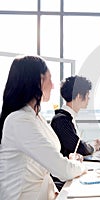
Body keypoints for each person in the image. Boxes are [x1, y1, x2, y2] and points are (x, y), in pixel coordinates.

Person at [0, 55, 86, 200]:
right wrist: (79, 166)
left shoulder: (35, 116)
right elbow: (62, 170)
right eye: (50, 79)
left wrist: (69, 161)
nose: (53, 86)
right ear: (39, 81)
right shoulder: (19, 120)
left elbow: (45, 163)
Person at [50, 75, 100, 190]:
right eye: (88, 96)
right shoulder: (61, 120)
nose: (89, 99)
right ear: (79, 96)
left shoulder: (68, 118)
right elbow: (79, 147)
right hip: (63, 179)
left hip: (71, 172)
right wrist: (94, 146)